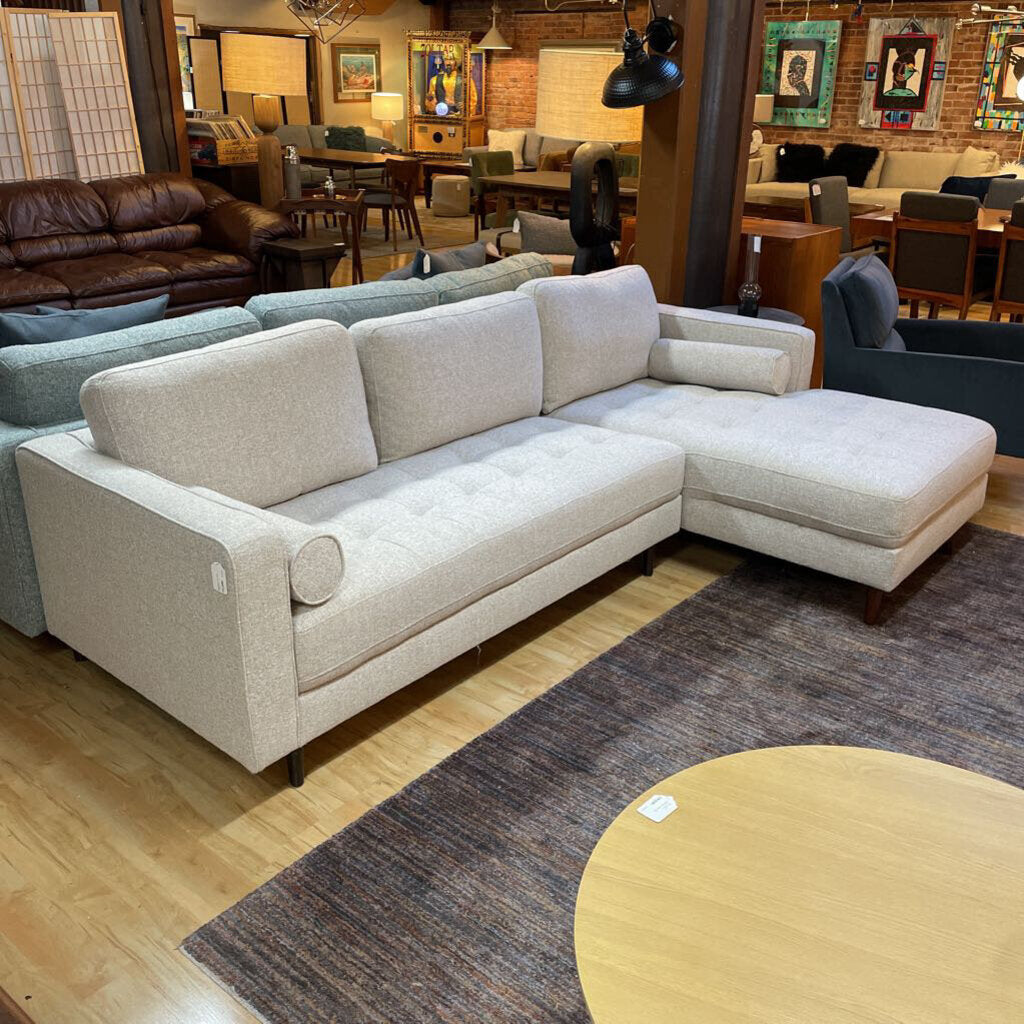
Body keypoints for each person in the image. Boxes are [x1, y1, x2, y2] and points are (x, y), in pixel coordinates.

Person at [426, 46, 477, 115]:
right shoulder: (434, 80)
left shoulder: (466, 80)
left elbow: (473, 100)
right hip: (441, 117)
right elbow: (431, 102)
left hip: (459, 117)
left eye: (451, 59)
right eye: (446, 59)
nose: (448, 63)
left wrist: (466, 106)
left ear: (457, 61)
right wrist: (431, 102)